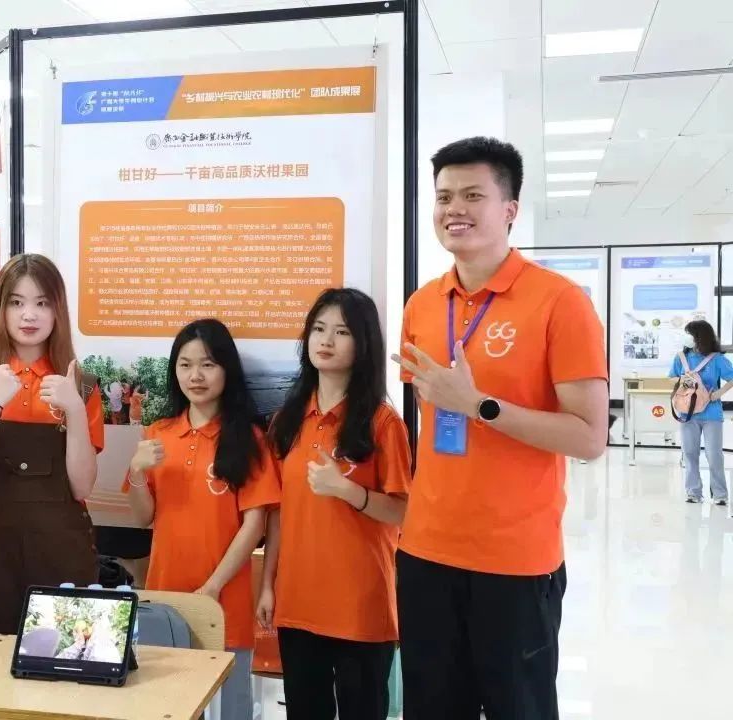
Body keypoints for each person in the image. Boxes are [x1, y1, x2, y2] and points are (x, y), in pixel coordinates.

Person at [394, 137, 608, 720]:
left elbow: (590, 437)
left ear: (509, 209)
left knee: (520, 707)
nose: (453, 209)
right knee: (432, 707)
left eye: (472, 195)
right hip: (426, 549)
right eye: (444, 197)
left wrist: (480, 406)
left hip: (516, 557)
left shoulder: (559, 302)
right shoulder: (422, 305)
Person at [260, 288, 412, 720]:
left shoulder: (383, 423)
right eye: (319, 329)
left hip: (359, 605)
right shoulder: (286, 421)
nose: (326, 340)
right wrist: (268, 583)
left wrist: (348, 491)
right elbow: (279, 513)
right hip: (298, 602)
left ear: (363, 344)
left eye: (342, 332)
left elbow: (404, 512)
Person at [125, 318, 281, 720]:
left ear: (227, 370)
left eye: (208, 364)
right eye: (185, 364)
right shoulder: (157, 433)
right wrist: (137, 472)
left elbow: (255, 525)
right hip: (165, 598)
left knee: (230, 708)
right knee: (165, 707)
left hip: (225, 601)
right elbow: (143, 518)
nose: (195, 376)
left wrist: (211, 588)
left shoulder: (249, 439)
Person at [0, 253, 105, 648]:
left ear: (58, 310)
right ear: (0, 309)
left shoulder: (81, 385)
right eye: (16, 302)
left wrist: (74, 408)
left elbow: (82, 486)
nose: (29, 315)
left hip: (62, 550)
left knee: (68, 657)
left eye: (42, 302)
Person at [669, 319, 733, 504]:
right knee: (689, 453)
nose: (686, 337)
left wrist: (719, 393)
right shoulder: (681, 357)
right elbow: (671, 377)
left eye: (689, 333)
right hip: (687, 413)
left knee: (714, 454)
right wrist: (683, 382)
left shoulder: (716, 359)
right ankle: (693, 492)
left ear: (700, 337)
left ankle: (720, 494)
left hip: (711, 414)